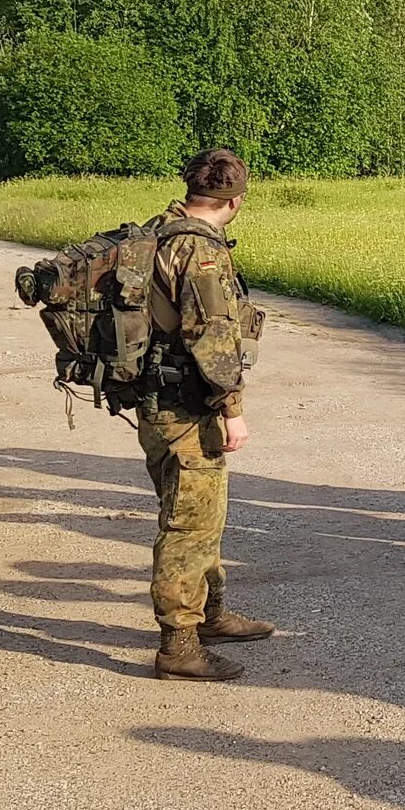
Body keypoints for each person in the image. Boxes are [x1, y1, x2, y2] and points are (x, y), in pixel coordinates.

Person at [140, 148, 271, 682]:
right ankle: (178, 646)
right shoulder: (199, 253)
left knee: (202, 514)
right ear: (235, 201)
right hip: (186, 406)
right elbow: (212, 339)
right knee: (189, 523)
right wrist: (232, 410)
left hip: (159, 400)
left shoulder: (159, 230)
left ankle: (209, 615)